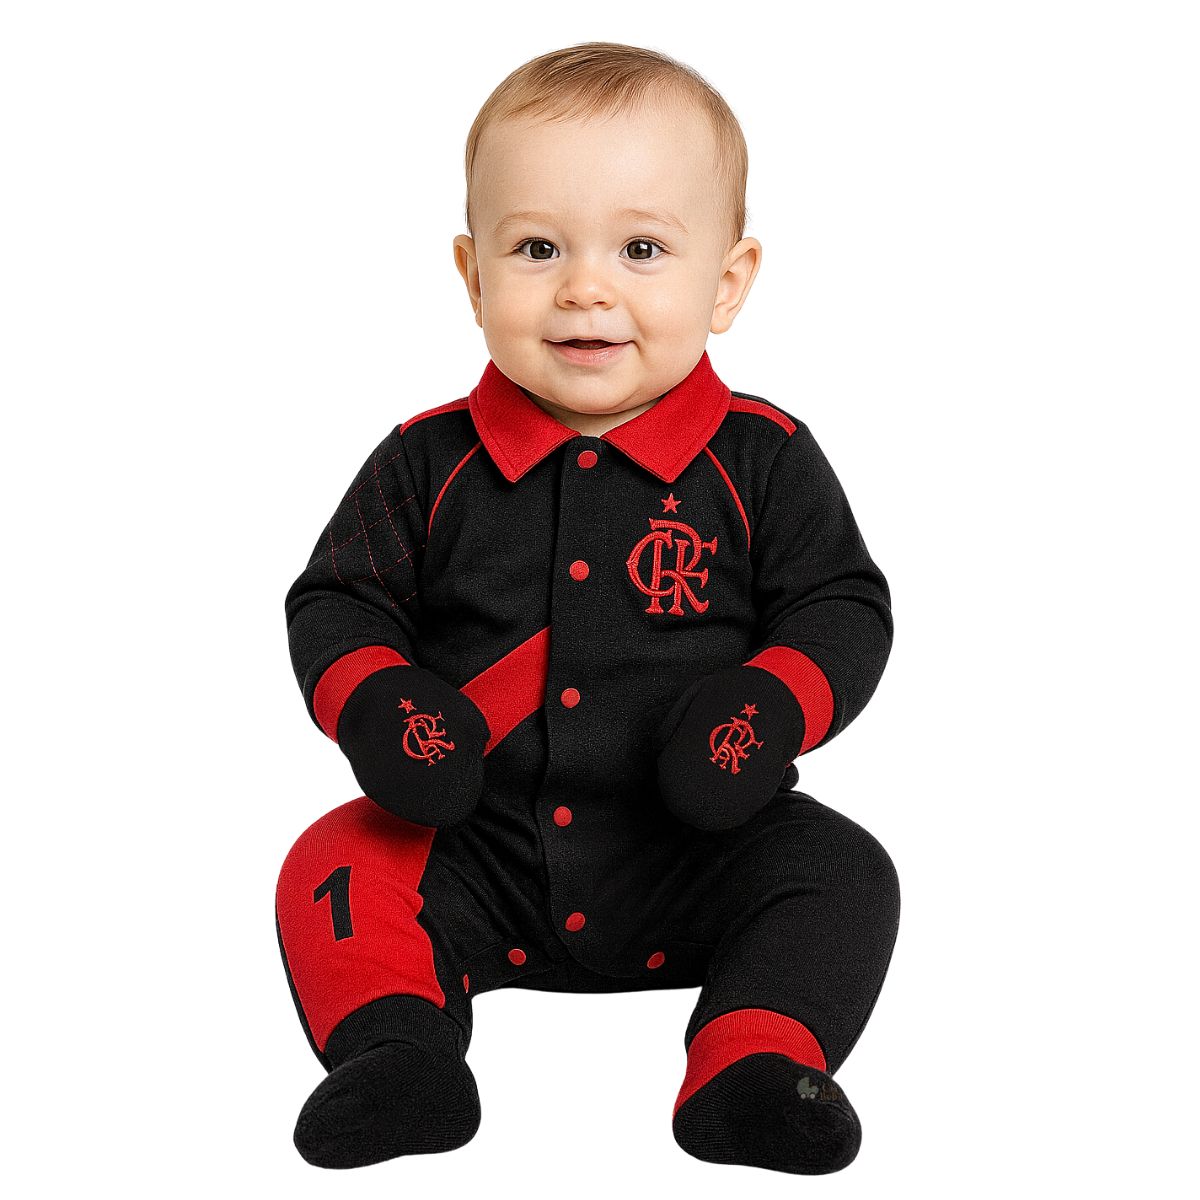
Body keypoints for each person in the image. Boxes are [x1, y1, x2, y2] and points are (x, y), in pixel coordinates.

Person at [275, 40, 900, 1176]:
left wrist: (766, 708)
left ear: (728, 283)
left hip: (697, 848)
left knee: (843, 872)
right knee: (335, 861)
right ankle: (400, 1055)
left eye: (641, 249)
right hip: (477, 847)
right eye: (537, 248)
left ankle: (754, 1062)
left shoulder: (764, 459)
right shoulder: (423, 462)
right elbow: (338, 602)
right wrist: (384, 705)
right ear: (472, 275)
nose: (584, 288)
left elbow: (840, 606)